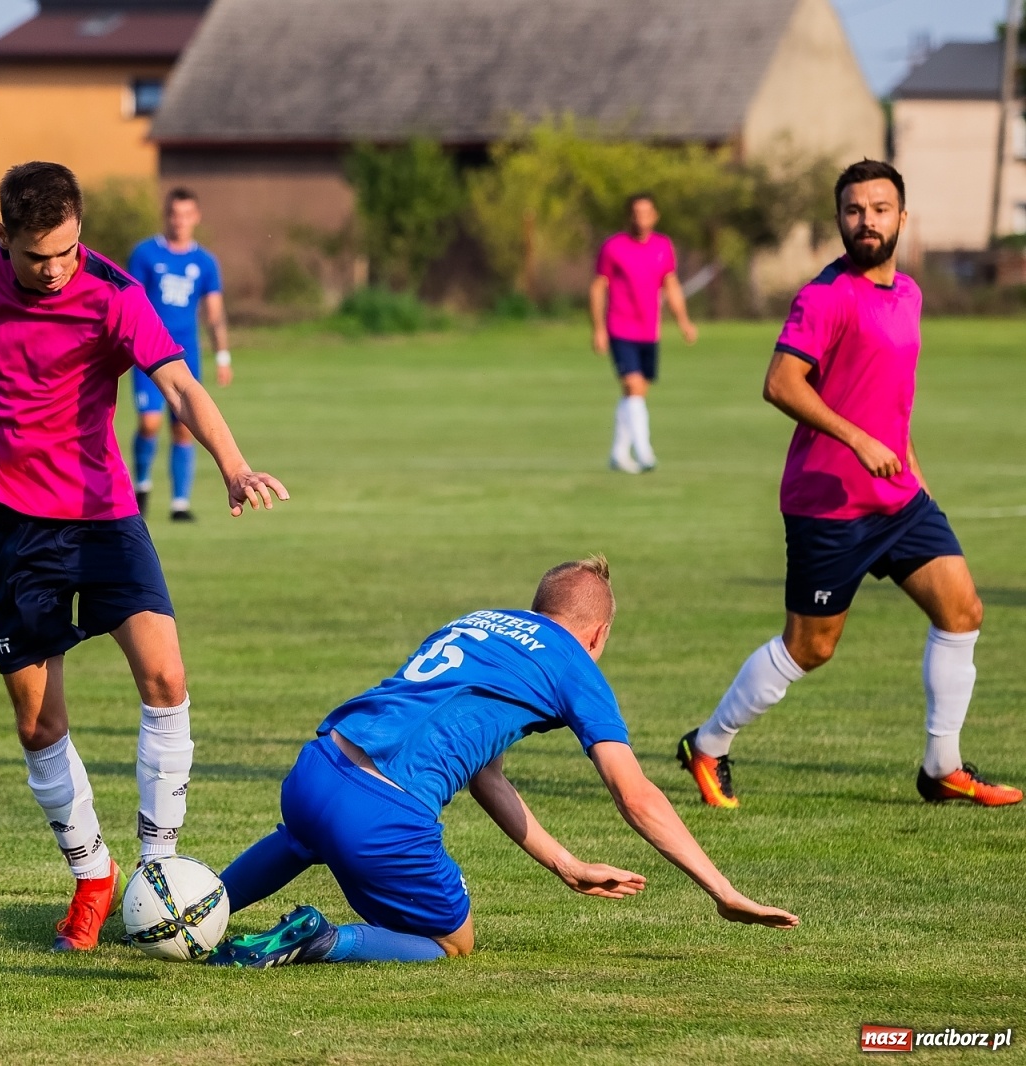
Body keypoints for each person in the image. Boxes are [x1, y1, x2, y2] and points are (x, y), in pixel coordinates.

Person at [0, 161, 287, 952]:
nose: (54, 270)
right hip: (12, 524)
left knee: (166, 677)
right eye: (38, 256)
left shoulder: (114, 295)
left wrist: (234, 464)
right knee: (39, 723)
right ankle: (93, 874)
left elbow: (178, 385)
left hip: (104, 515)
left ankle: (158, 867)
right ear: (2, 238)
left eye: (67, 251)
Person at [209, 558, 798, 969]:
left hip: (317, 768)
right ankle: (322, 940)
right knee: (451, 943)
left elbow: (480, 769)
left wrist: (564, 862)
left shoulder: (476, 621)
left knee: (301, 839)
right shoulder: (577, 667)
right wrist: (722, 891)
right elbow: (635, 795)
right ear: (598, 634)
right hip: (382, 812)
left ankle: (195, 912)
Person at [677, 160, 1020, 809]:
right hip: (828, 505)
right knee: (810, 648)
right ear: (839, 219)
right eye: (854, 210)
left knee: (962, 611)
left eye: (880, 208)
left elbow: (892, 397)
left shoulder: (911, 295)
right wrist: (858, 439)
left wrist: (911, 466)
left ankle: (942, 767)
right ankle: (709, 744)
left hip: (898, 500)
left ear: (902, 218)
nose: (867, 221)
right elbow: (780, 382)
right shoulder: (826, 295)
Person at [125, 188, 232, 521]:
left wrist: (223, 354)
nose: (180, 221)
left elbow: (214, 313)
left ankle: (180, 503)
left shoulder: (205, 262)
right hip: (148, 351)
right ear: (166, 215)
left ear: (196, 217)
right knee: (149, 422)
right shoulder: (144, 254)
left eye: (187, 215)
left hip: (187, 353)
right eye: (175, 214)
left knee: (185, 426)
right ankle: (141, 484)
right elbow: (132, 303)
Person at [590, 194, 697, 474]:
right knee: (633, 386)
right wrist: (599, 329)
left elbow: (670, 285)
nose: (641, 218)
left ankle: (618, 452)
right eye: (636, 212)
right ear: (629, 216)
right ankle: (644, 450)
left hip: (649, 330)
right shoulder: (613, 247)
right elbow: (598, 287)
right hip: (620, 327)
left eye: (646, 212)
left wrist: (684, 322)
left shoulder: (663, 247)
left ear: (655, 215)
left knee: (637, 393)